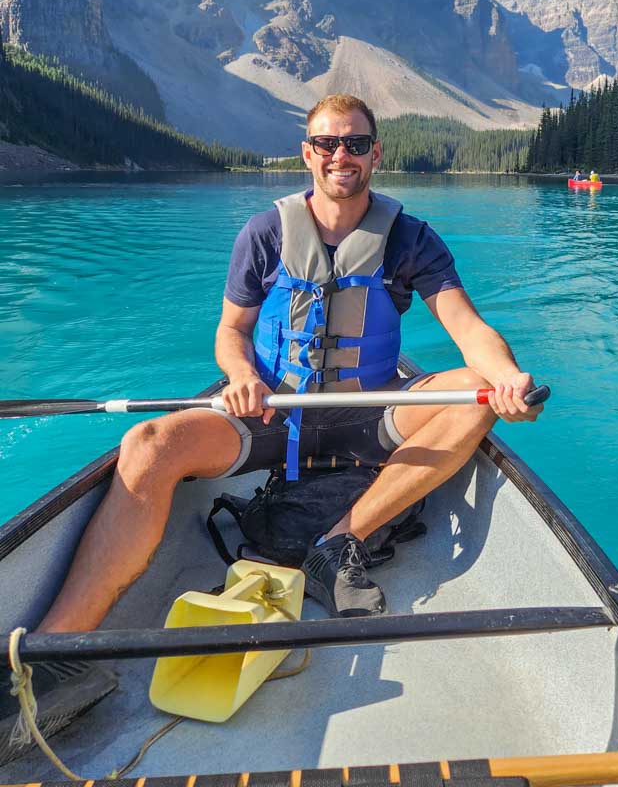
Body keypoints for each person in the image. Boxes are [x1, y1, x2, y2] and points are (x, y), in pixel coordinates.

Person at [0, 93, 542, 765]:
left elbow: (467, 327)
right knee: (147, 444)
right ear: (308, 153)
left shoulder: (410, 238)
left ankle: (341, 541)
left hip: (373, 414)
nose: (340, 155)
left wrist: (508, 377)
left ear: (376, 152)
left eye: (355, 143)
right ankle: (58, 653)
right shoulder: (264, 232)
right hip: (273, 417)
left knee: (476, 393)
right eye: (326, 144)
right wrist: (239, 375)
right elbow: (231, 333)